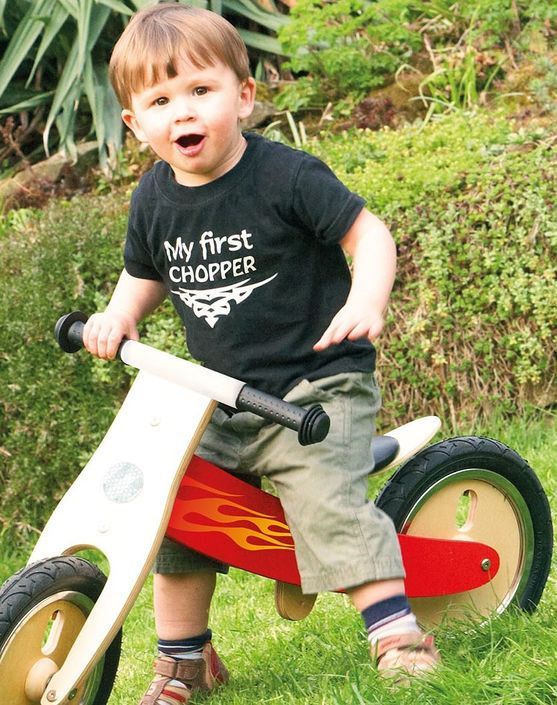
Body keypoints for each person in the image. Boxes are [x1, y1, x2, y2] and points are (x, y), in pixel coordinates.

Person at [84, 4, 440, 703]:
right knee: (174, 502)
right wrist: (118, 314)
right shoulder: (152, 197)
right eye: (159, 100)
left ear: (242, 96)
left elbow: (368, 234)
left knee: (327, 501)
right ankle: (183, 659)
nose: (182, 111)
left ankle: (396, 632)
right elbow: (146, 273)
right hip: (218, 397)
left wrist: (366, 300)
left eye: (200, 90)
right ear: (134, 123)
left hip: (315, 388)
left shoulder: (285, 176)